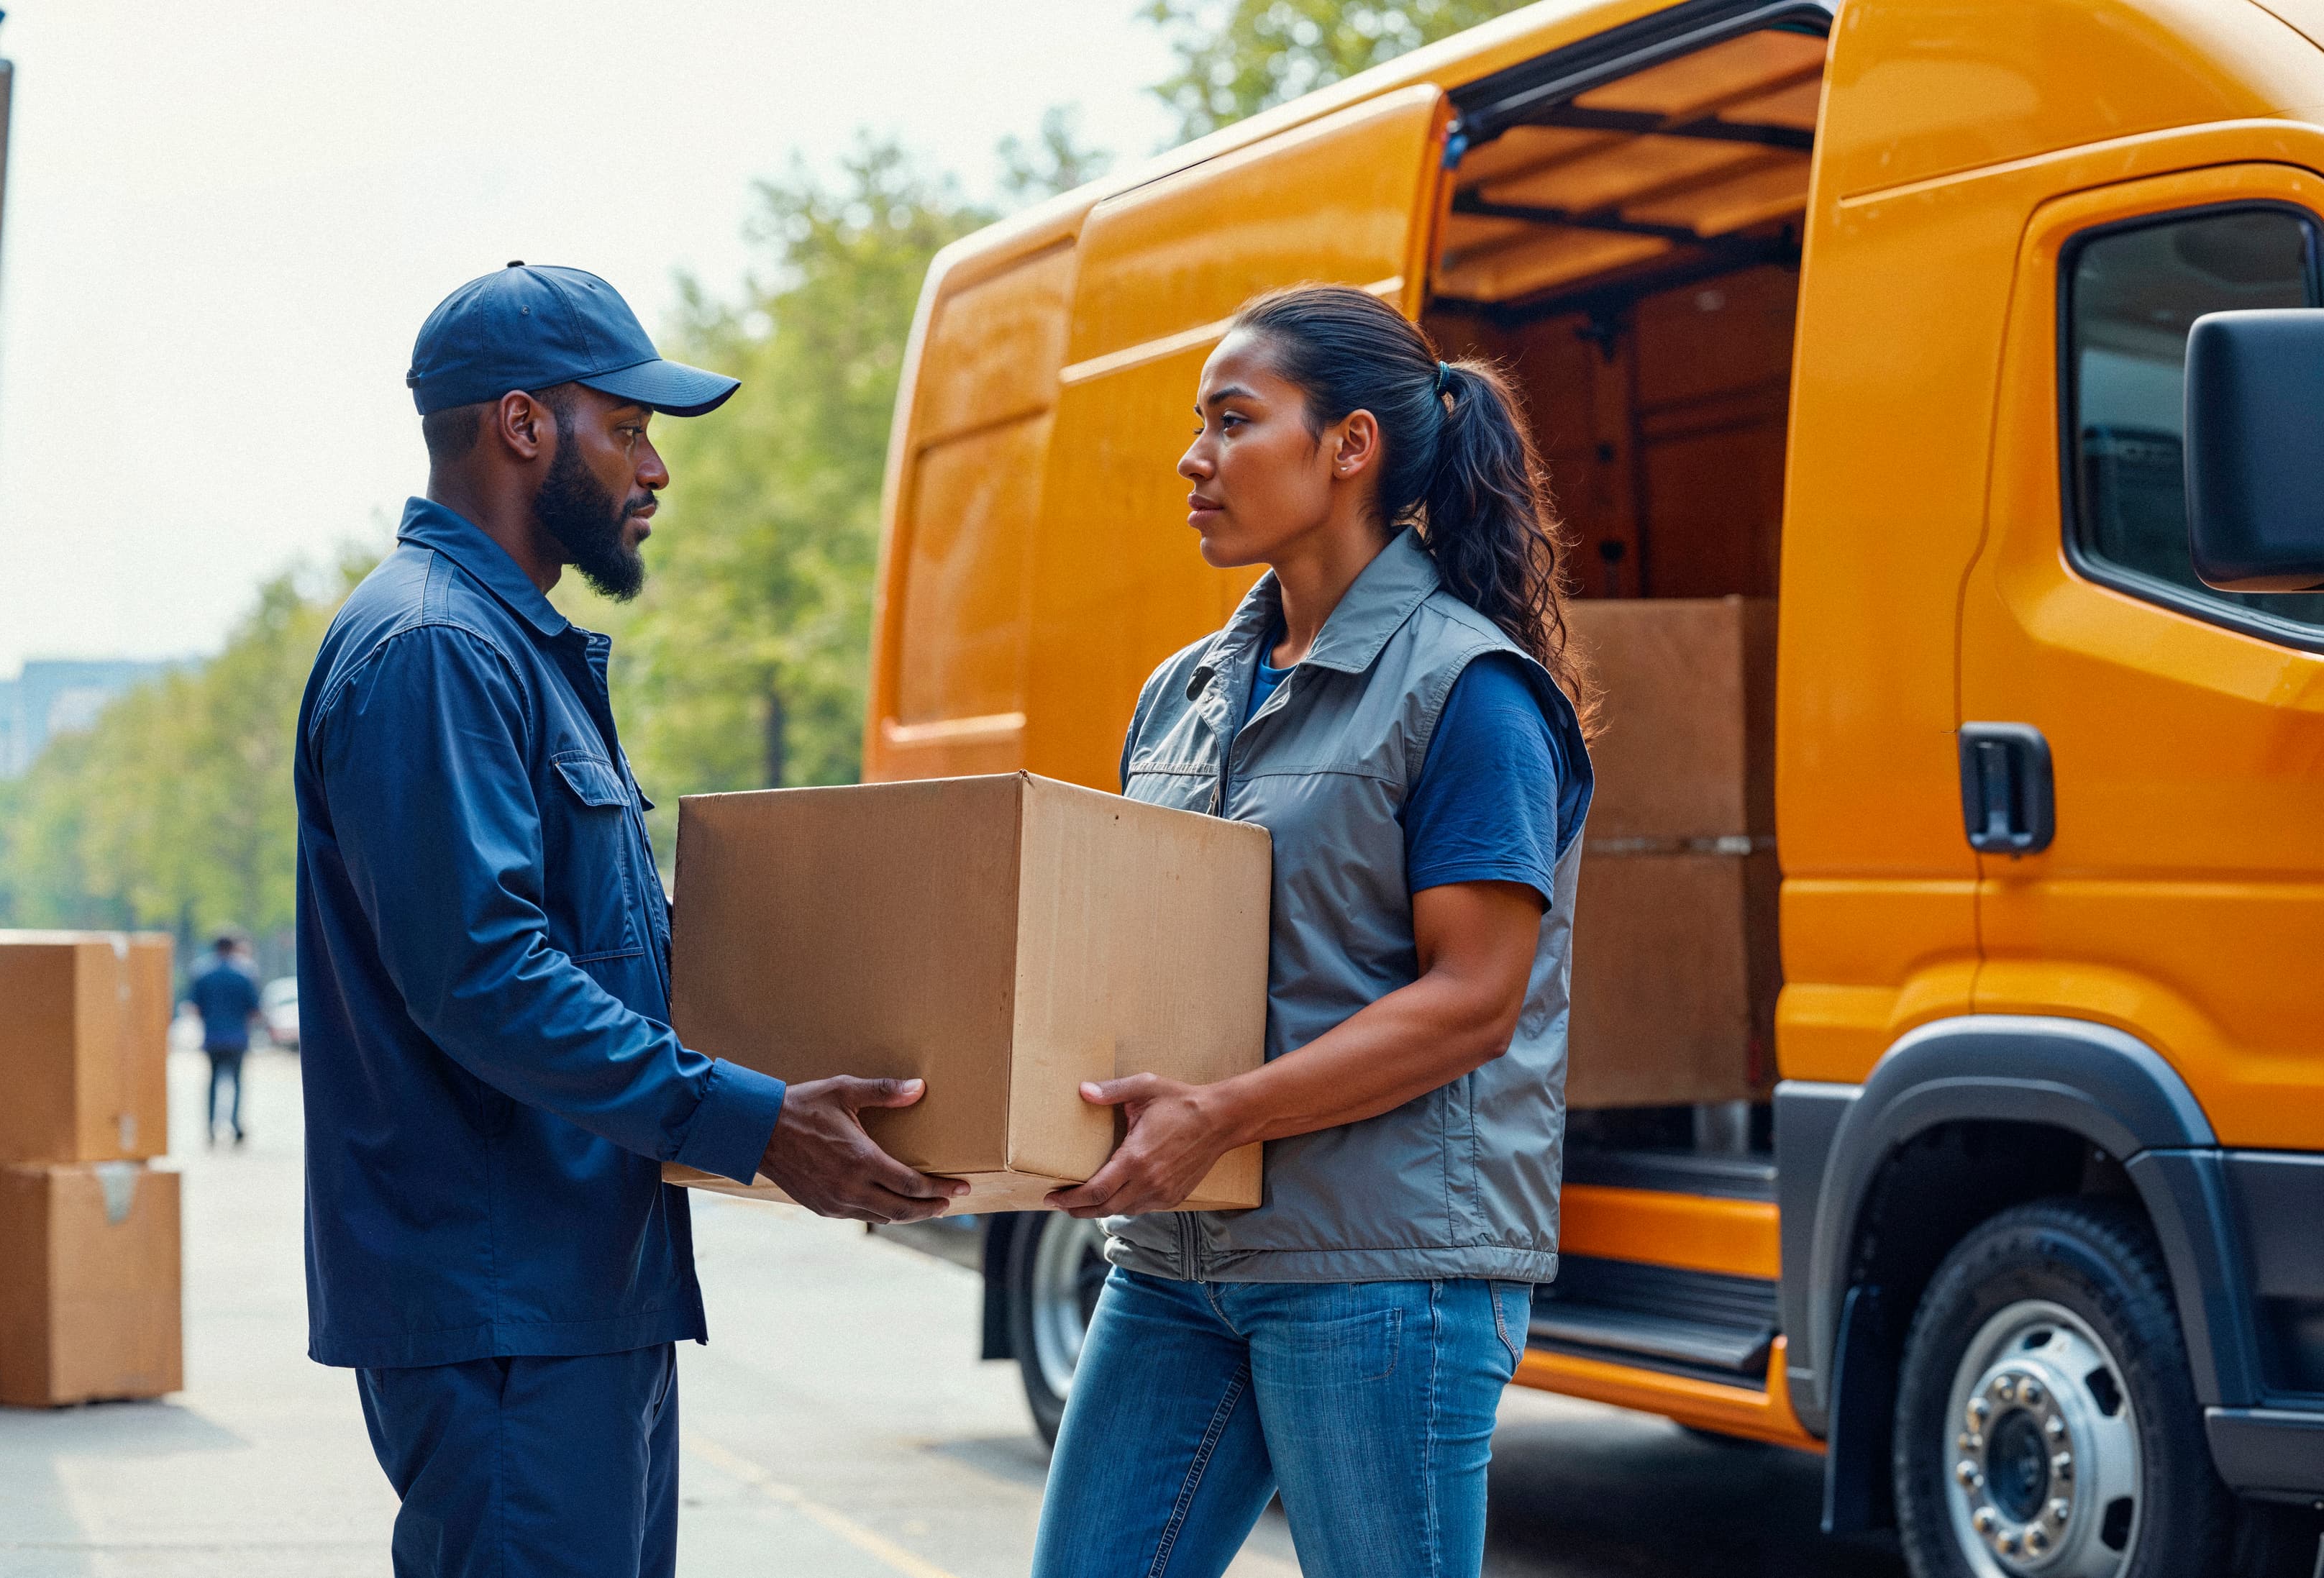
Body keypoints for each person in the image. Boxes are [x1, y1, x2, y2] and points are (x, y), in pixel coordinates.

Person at [296, 261, 966, 1578]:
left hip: (569, 1285)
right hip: (507, 1302)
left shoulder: (503, 647)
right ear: (524, 425)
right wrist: (758, 1119)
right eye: (630, 427)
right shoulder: (435, 649)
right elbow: (484, 975)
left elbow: (600, 946)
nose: (654, 468)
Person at [1030, 286, 1595, 1578]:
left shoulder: (1470, 690)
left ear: (1349, 446)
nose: (1196, 456)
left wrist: (1222, 1113)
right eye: (1200, 424)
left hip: (1381, 1273)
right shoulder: (1181, 693)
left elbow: (1474, 997)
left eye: (1234, 420)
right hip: (1178, 1259)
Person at [186, 934, 262, 1146]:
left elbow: (195, 1008)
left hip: (213, 1038)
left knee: (212, 1083)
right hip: (238, 1038)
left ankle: (211, 1128)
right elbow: (255, 1010)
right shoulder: (245, 973)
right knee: (236, 1083)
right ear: (233, 948)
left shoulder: (202, 973)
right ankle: (235, 1126)